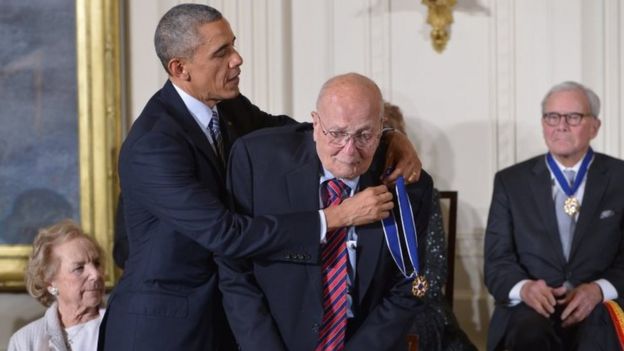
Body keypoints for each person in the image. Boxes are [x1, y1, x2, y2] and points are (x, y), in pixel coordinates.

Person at [100, 4, 423, 351]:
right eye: (221, 52)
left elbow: (300, 133)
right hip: (162, 330)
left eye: (233, 46)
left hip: (220, 321)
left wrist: (385, 135)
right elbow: (226, 233)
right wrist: (336, 217)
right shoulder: (152, 144)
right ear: (180, 68)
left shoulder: (227, 107)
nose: (237, 59)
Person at [217, 73, 433, 351]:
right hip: (275, 338)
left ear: (382, 128)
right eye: (338, 133)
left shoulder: (407, 186)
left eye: (365, 135)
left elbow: (409, 288)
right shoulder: (257, 162)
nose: (350, 150)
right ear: (315, 125)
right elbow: (234, 269)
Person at [484, 81, 624, 350]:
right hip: (532, 307)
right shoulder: (510, 181)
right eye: (552, 116)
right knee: (528, 332)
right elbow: (497, 261)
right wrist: (524, 288)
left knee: (598, 331)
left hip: (600, 303)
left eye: (573, 117)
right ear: (543, 123)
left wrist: (598, 289)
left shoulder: (620, 178)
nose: (561, 125)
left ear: (595, 126)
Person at [384, 102, 477, 351]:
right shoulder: (350, 195)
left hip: (421, 301)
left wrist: (404, 299)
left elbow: (435, 270)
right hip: (371, 307)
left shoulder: (422, 192)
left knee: (418, 326)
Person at [8, 219, 105, 351]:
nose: (95, 274)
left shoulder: (125, 325)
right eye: (79, 268)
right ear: (49, 282)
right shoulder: (25, 342)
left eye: (97, 263)